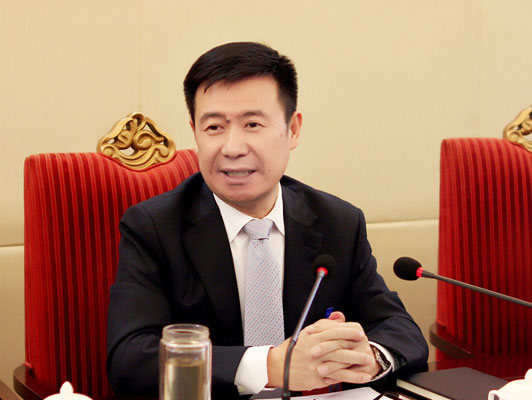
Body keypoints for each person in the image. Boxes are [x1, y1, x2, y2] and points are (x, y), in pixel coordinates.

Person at [106, 42, 428, 398]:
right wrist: (272, 365)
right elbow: (130, 360)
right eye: (214, 127)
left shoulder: (337, 222)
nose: (232, 147)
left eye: (253, 124)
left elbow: (401, 330)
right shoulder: (154, 227)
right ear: (194, 131)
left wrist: (368, 358)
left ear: (293, 130)